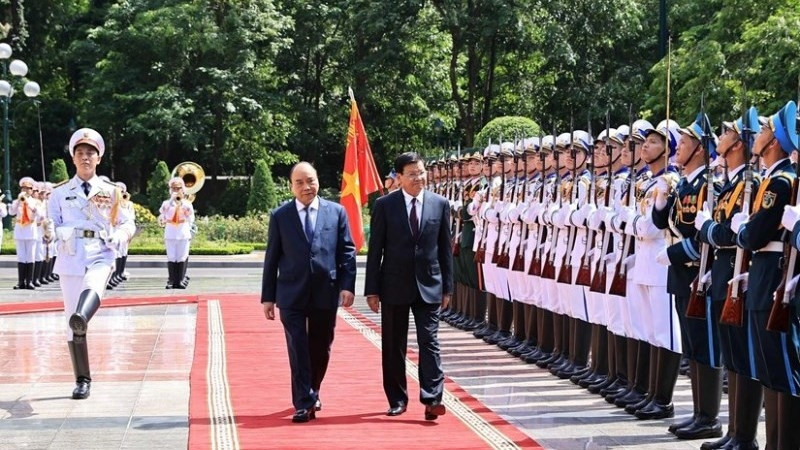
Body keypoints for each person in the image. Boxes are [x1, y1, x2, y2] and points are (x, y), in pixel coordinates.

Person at [261, 161, 356, 423]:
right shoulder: (280, 216)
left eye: (311, 181)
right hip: (291, 293)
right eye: (300, 182)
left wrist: (348, 285)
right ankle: (303, 402)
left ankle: (313, 390)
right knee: (297, 346)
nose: (307, 187)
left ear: (318, 181)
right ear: (291, 186)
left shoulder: (336, 212)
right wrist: (268, 297)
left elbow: (347, 251)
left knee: (320, 346)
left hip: (326, 291)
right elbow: (272, 258)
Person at [47, 128, 136, 399]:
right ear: (73, 158)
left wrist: (120, 235)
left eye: (90, 153)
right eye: (80, 153)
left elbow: (127, 222)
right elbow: (52, 221)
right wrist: (49, 230)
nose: (85, 158)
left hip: (101, 251)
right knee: (70, 324)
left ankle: (82, 316)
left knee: (95, 286)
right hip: (71, 254)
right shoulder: (59, 193)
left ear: (98, 159)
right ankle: (82, 379)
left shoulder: (110, 191)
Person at [365, 151, 454, 421]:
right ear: (399, 177)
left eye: (422, 172)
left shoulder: (439, 204)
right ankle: (397, 398)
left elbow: (444, 249)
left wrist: (448, 288)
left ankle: (432, 398)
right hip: (393, 284)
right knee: (394, 344)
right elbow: (375, 250)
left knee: (430, 342)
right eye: (413, 174)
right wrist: (372, 289)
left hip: (429, 283)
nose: (419, 178)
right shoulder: (385, 205)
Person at [158, 178, 194, 289]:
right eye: (174, 188)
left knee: (182, 256)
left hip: (182, 231)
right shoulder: (166, 203)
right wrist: (171, 201)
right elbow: (162, 213)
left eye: (178, 188)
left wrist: (182, 204)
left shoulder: (187, 204)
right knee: (171, 257)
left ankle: (180, 280)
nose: (176, 190)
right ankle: (172, 280)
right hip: (171, 232)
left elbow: (191, 216)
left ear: (182, 189)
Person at [9, 177, 42, 290]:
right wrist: (18, 201)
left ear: (32, 190)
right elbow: (11, 212)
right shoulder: (16, 201)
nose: (25, 190)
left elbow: (40, 215)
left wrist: (28, 203)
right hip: (20, 230)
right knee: (21, 257)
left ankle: (30, 281)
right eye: (23, 188)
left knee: (31, 256)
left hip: (31, 230)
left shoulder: (35, 202)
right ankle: (20, 282)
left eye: (28, 188)